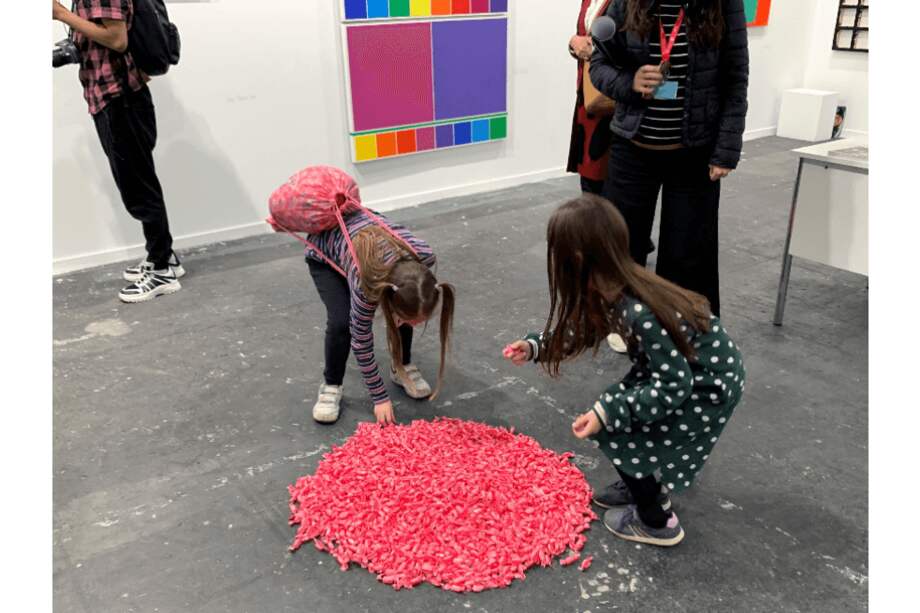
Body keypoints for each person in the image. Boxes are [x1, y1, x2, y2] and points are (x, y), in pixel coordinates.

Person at [504, 195, 745, 546]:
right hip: (686, 373)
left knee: (617, 425)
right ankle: (643, 483)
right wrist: (536, 347)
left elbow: (674, 387)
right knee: (620, 412)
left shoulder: (639, 312)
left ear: (576, 260)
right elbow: (581, 330)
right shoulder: (609, 285)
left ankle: (656, 519)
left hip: (707, 385)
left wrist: (608, 413)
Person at [589, 0, 750, 317]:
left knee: (689, 250)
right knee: (622, 244)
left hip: (695, 152)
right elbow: (599, 65)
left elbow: (736, 77)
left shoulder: (723, 4)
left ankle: (682, 320)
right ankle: (625, 318)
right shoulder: (627, 2)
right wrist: (629, 82)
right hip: (632, 150)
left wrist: (727, 148)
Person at [53, 1, 184, 303]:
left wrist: (62, 15)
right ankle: (163, 257)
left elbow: (116, 39)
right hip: (118, 97)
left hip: (119, 99)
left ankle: (162, 269)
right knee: (139, 182)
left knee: (139, 188)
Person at [304, 212, 455, 425]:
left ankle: (401, 366)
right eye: (414, 320)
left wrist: (404, 316)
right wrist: (379, 397)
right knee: (340, 323)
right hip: (325, 256)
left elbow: (410, 295)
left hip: (377, 258)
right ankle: (331, 384)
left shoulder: (424, 257)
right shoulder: (366, 287)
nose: (416, 324)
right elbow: (361, 340)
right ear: (388, 297)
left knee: (409, 304)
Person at [567, 0, 614, 196]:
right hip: (588, 100)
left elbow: (633, 43)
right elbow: (583, 38)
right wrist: (574, 44)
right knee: (590, 187)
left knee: (612, 190)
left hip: (613, 101)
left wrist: (592, 50)